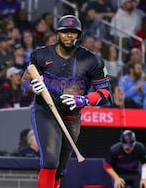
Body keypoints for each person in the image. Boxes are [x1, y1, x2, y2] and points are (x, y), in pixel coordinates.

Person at [21, 15, 111, 188]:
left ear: (79, 35)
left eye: (73, 32)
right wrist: (33, 87)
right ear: (57, 34)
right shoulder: (41, 54)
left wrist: (82, 100)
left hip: (72, 117)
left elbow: (105, 93)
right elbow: (24, 82)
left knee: (60, 168)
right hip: (45, 112)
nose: (69, 36)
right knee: (50, 161)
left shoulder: (92, 60)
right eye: (65, 32)